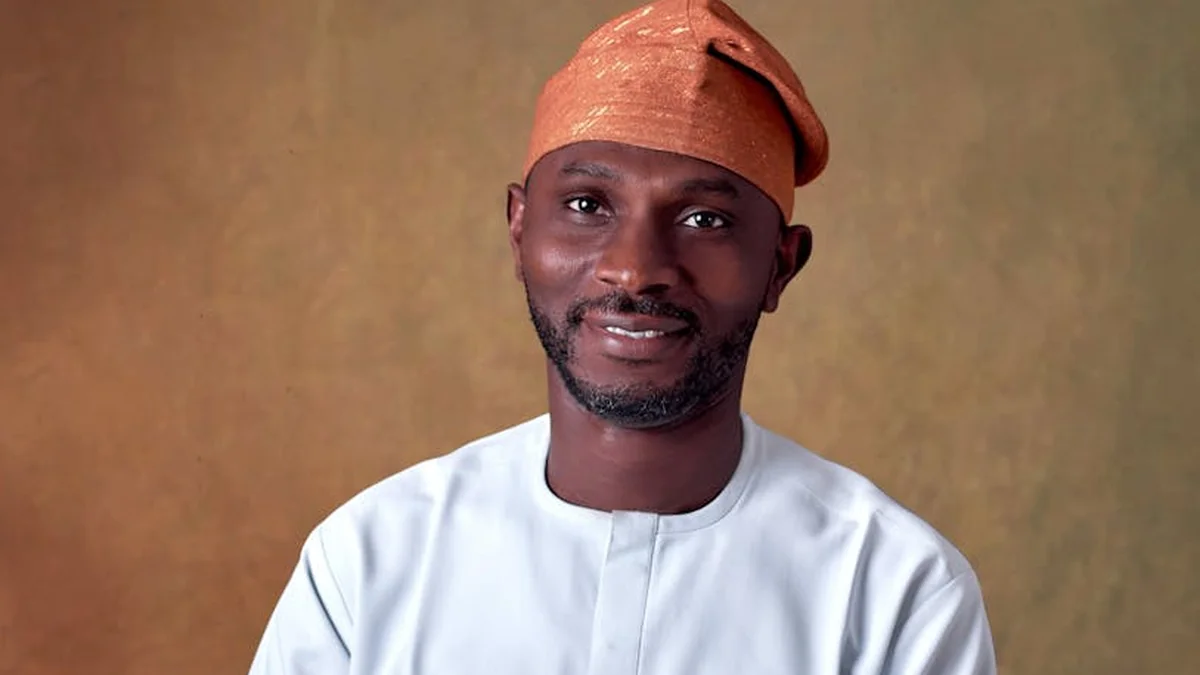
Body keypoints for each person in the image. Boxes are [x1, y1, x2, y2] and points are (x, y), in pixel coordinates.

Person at [247, 0, 998, 673]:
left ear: (780, 265)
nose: (635, 269)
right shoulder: (368, 565)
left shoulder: (894, 594)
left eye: (705, 218)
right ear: (518, 229)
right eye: (586, 204)